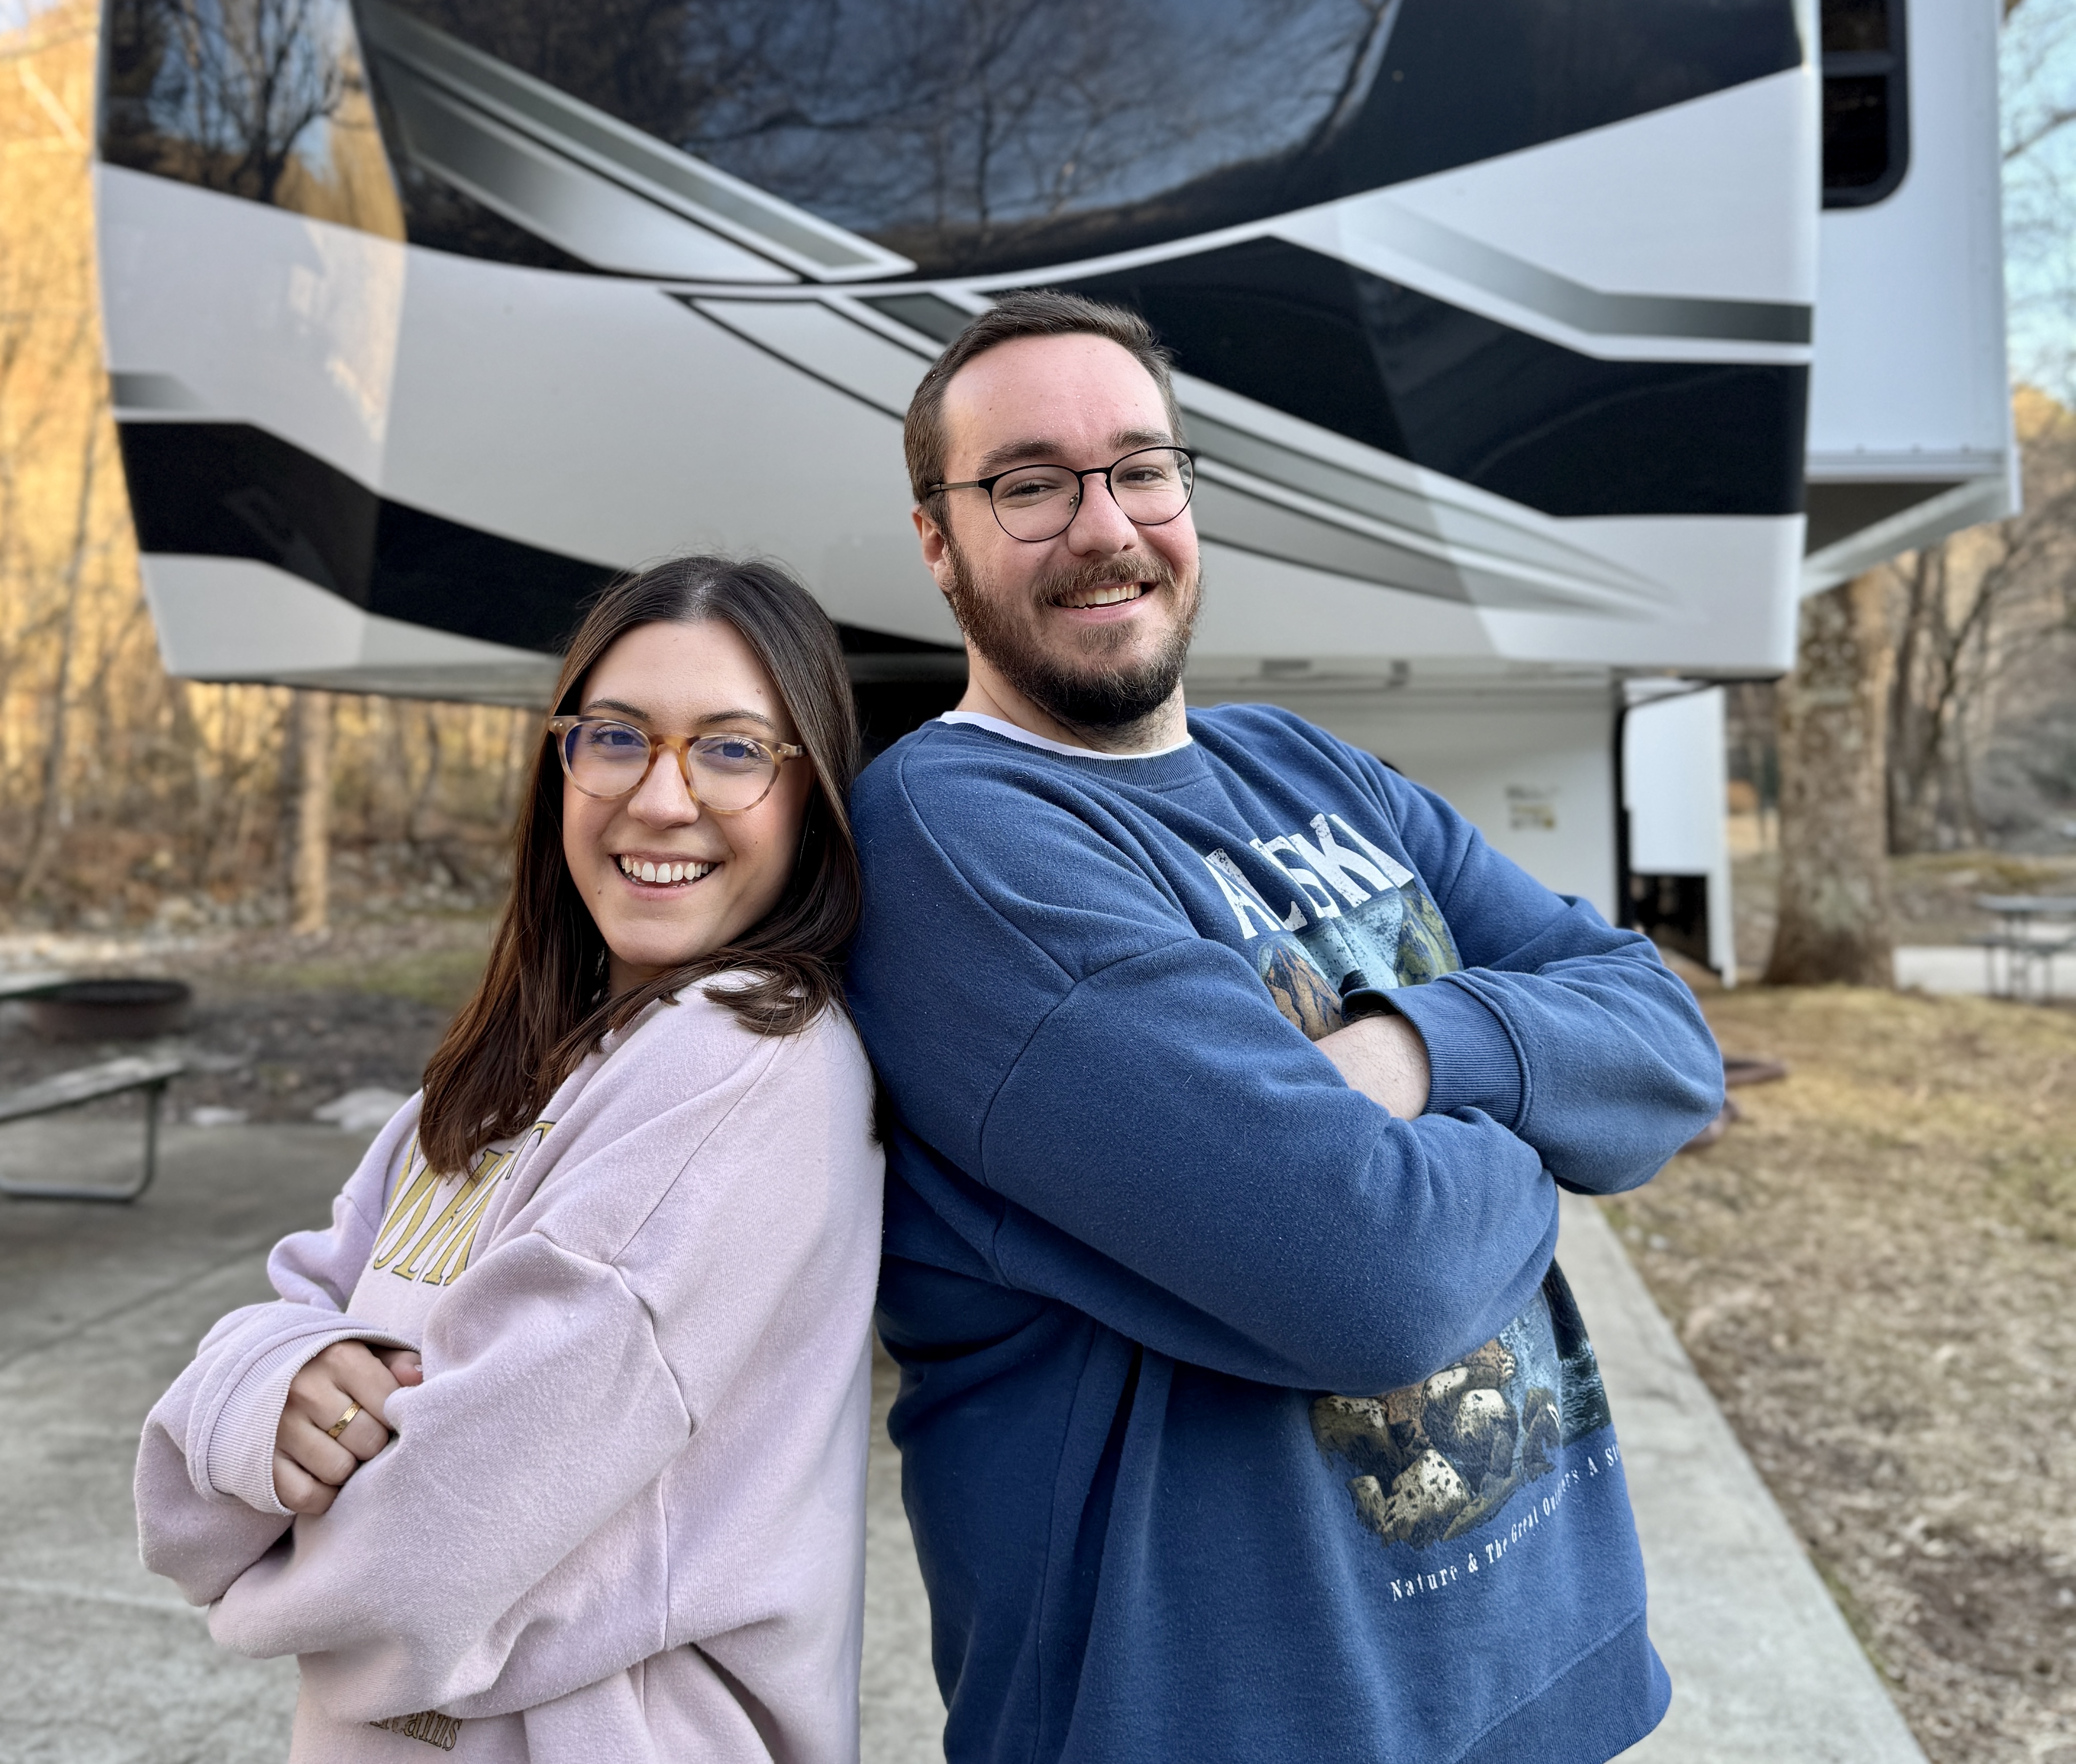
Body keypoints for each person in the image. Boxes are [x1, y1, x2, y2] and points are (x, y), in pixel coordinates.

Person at [847, 290, 1725, 1764]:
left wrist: (1423, 1052)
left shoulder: (1304, 764)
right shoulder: (957, 837)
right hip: (1226, 1715)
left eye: (1140, 465)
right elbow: (1369, 1267)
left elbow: (1667, 1043)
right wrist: (1546, 1128)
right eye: (1027, 483)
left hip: (1539, 1670)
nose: (1103, 523)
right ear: (937, 540)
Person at [138, 557, 882, 1764]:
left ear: (812, 798)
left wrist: (260, 1562)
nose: (660, 796)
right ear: (560, 762)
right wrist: (278, 1384)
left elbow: (422, 1554)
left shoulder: (746, 1055)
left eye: (733, 749)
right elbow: (301, 1301)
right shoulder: (508, 1064)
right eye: (616, 737)